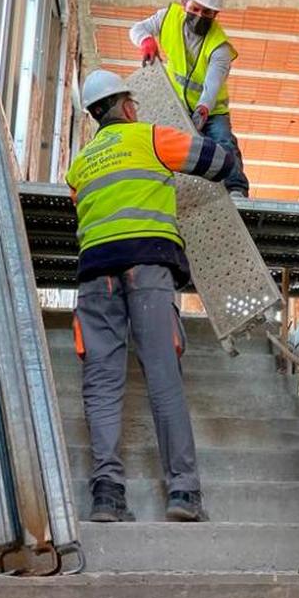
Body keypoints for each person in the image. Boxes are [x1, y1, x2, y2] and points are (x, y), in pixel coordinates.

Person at [66, 69, 236, 523]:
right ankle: (182, 492)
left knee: (101, 386)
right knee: (163, 377)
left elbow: (87, 204)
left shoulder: (79, 165)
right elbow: (219, 163)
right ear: (124, 106)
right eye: (133, 104)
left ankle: (107, 496)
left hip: (94, 277)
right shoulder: (151, 138)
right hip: (147, 268)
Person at [129, 0, 250, 198]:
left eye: (207, 12)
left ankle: (236, 188)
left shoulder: (219, 47)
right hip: (178, 104)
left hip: (212, 109)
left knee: (223, 142)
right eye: (195, 9)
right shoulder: (167, 18)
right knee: (178, 148)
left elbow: (212, 85)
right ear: (185, 2)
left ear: (215, 14)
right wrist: (146, 41)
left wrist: (204, 109)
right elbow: (137, 29)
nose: (199, 15)